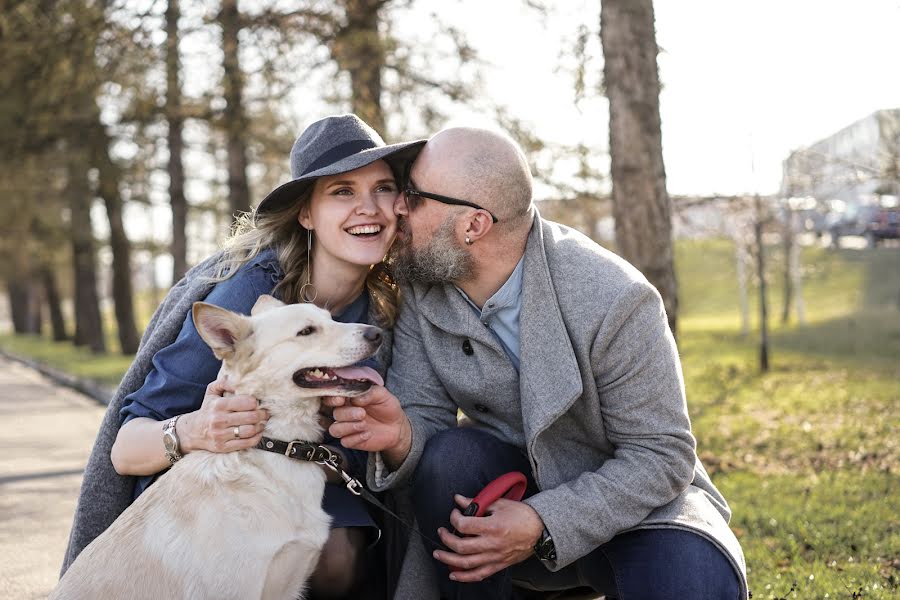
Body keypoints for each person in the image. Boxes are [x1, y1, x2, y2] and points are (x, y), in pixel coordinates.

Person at [324, 126, 749, 599]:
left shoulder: (613, 297)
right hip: (507, 499)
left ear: (473, 225)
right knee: (452, 457)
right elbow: (425, 414)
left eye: (414, 196)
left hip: (638, 515)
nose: (397, 207)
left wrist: (544, 520)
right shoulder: (426, 289)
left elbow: (661, 455)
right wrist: (402, 435)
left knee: (692, 584)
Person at [60, 114, 424, 599]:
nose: (369, 208)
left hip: (309, 482)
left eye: (382, 188)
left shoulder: (389, 301)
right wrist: (196, 429)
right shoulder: (245, 294)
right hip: (211, 504)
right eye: (342, 191)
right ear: (306, 213)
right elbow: (125, 449)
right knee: (334, 551)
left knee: (345, 548)